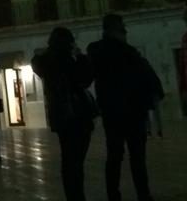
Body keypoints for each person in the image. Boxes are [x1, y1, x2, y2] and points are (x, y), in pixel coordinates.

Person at [88, 13, 161, 201]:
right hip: (134, 111)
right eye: (122, 28)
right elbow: (145, 78)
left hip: (111, 112)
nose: (125, 31)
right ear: (116, 30)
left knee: (114, 156)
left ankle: (113, 194)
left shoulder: (96, 51)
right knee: (137, 157)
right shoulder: (130, 53)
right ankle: (143, 194)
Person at [32, 27, 96, 201]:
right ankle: (77, 195)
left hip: (60, 115)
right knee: (76, 160)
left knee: (68, 159)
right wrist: (81, 56)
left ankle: (73, 195)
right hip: (77, 113)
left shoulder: (46, 61)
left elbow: (37, 62)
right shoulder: (69, 60)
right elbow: (86, 78)